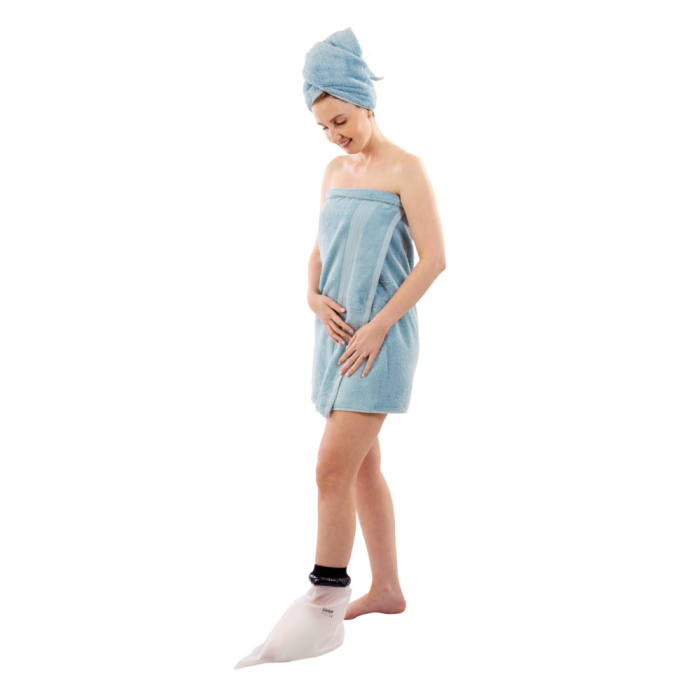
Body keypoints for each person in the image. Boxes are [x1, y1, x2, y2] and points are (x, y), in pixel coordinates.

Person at [235, 28, 446, 670]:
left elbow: (435, 260)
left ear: (365, 103)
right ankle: (388, 590)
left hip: (379, 343)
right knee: (360, 469)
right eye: (323, 126)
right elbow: (319, 249)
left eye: (341, 121)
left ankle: (325, 604)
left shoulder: (406, 168)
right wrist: (310, 294)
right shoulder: (332, 171)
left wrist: (378, 326)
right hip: (332, 341)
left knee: (330, 468)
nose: (333, 135)